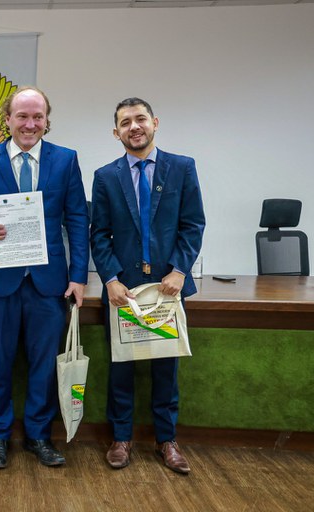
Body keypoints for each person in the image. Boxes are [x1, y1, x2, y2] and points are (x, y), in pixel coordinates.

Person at [0, 87, 90, 469]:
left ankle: (38, 435)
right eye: (22, 116)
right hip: (0, 282)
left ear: (47, 121)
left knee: (43, 365)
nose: (30, 124)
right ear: (8, 119)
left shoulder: (66, 161)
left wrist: (79, 275)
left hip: (49, 283)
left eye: (37, 117)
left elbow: (78, 221)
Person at [90, 97, 205, 474]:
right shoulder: (106, 176)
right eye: (126, 122)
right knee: (120, 367)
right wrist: (109, 278)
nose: (134, 126)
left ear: (155, 122)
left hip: (167, 289)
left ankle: (167, 440)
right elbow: (100, 234)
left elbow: (192, 225)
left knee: (165, 370)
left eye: (140, 119)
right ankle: (121, 438)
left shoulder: (182, 168)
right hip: (124, 290)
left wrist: (179, 271)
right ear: (116, 132)